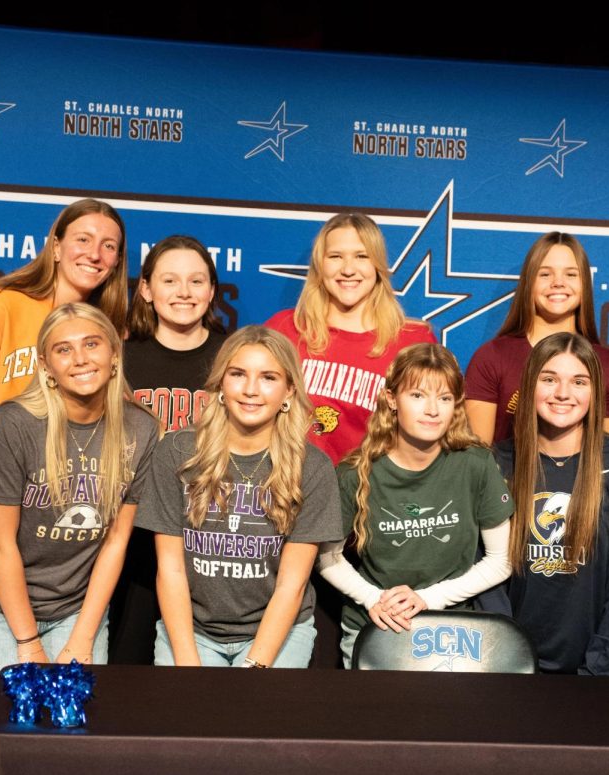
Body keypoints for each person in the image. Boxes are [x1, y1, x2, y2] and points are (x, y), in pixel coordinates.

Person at [0, 199, 127, 744]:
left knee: (63, 704)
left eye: (109, 245)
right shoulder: (0, 307)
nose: (95, 254)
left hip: (56, 536)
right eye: (82, 239)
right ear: (55, 245)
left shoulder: (105, 331)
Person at [0, 304, 158, 695]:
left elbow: (115, 542)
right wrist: (29, 643)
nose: (80, 359)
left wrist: (83, 635)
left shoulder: (140, 429)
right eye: (64, 350)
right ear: (46, 367)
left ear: (114, 354)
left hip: (74, 608)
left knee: (71, 732)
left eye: (91, 344)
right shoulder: (15, 423)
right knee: (19, 728)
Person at [136, 327, 343, 668]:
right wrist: (187, 661)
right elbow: (170, 569)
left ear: (289, 390)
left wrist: (254, 667)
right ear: (220, 384)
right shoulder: (177, 452)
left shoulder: (313, 467)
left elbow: (292, 585)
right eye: (238, 374)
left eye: (268, 378)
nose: (250, 390)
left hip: (279, 630)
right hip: (192, 630)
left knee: (257, 719)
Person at [318, 343, 514, 666]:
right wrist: (373, 599)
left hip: (454, 628)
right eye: (418, 396)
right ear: (392, 400)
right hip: (376, 622)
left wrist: (427, 598)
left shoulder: (476, 464)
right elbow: (327, 560)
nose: (433, 410)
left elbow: (501, 560)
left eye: (445, 398)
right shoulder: (355, 472)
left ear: (456, 405)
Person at [482, 332, 609, 675]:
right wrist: (508, 656)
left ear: (594, 392)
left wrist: (600, 667)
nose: (563, 393)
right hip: (512, 667)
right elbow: (488, 579)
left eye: (579, 381)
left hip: (601, 668)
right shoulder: (497, 464)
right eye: (549, 379)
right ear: (529, 386)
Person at [109, 235, 228, 664]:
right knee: (127, 665)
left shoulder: (231, 357)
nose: (183, 292)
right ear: (145, 289)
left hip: (209, 537)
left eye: (196, 281)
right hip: (134, 534)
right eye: (170, 280)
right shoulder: (119, 357)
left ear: (212, 291)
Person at [266, 212, 435, 465]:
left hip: (369, 492)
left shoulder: (413, 341)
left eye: (361, 256)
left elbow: (433, 430)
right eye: (335, 257)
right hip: (289, 486)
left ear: (377, 265)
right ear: (319, 266)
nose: (347, 269)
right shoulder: (285, 328)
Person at [465, 232, 609, 444]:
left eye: (571, 274)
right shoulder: (491, 357)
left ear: (585, 286)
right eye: (545, 274)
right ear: (528, 283)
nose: (558, 283)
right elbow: (478, 458)